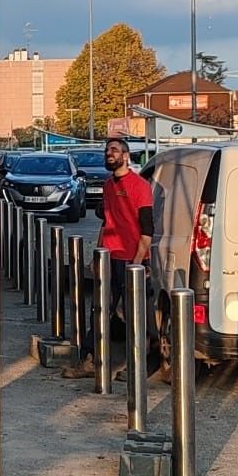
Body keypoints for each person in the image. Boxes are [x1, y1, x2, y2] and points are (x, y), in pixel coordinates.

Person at [65, 135, 153, 377]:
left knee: (135, 314)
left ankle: (138, 367)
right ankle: (90, 360)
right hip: (109, 257)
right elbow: (107, 222)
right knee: (101, 309)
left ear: (125, 156)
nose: (109, 154)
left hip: (131, 259)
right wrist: (98, 254)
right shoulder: (108, 185)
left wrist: (138, 263)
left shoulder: (140, 187)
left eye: (113, 150)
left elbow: (147, 231)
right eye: (107, 151)